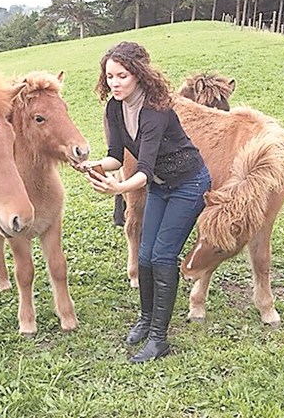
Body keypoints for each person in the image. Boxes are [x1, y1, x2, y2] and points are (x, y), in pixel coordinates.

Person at [74, 41, 211, 363]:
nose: (115, 83)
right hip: (161, 187)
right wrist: (93, 166)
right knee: (146, 255)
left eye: (122, 76)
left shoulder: (155, 110)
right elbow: (114, 156)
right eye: (109, 77)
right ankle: (146, 321)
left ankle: (159, 339)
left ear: (138, 75)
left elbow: (144, 171)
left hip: (189, 183)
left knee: (163, 256)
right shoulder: (114, 108)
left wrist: (118, 188)